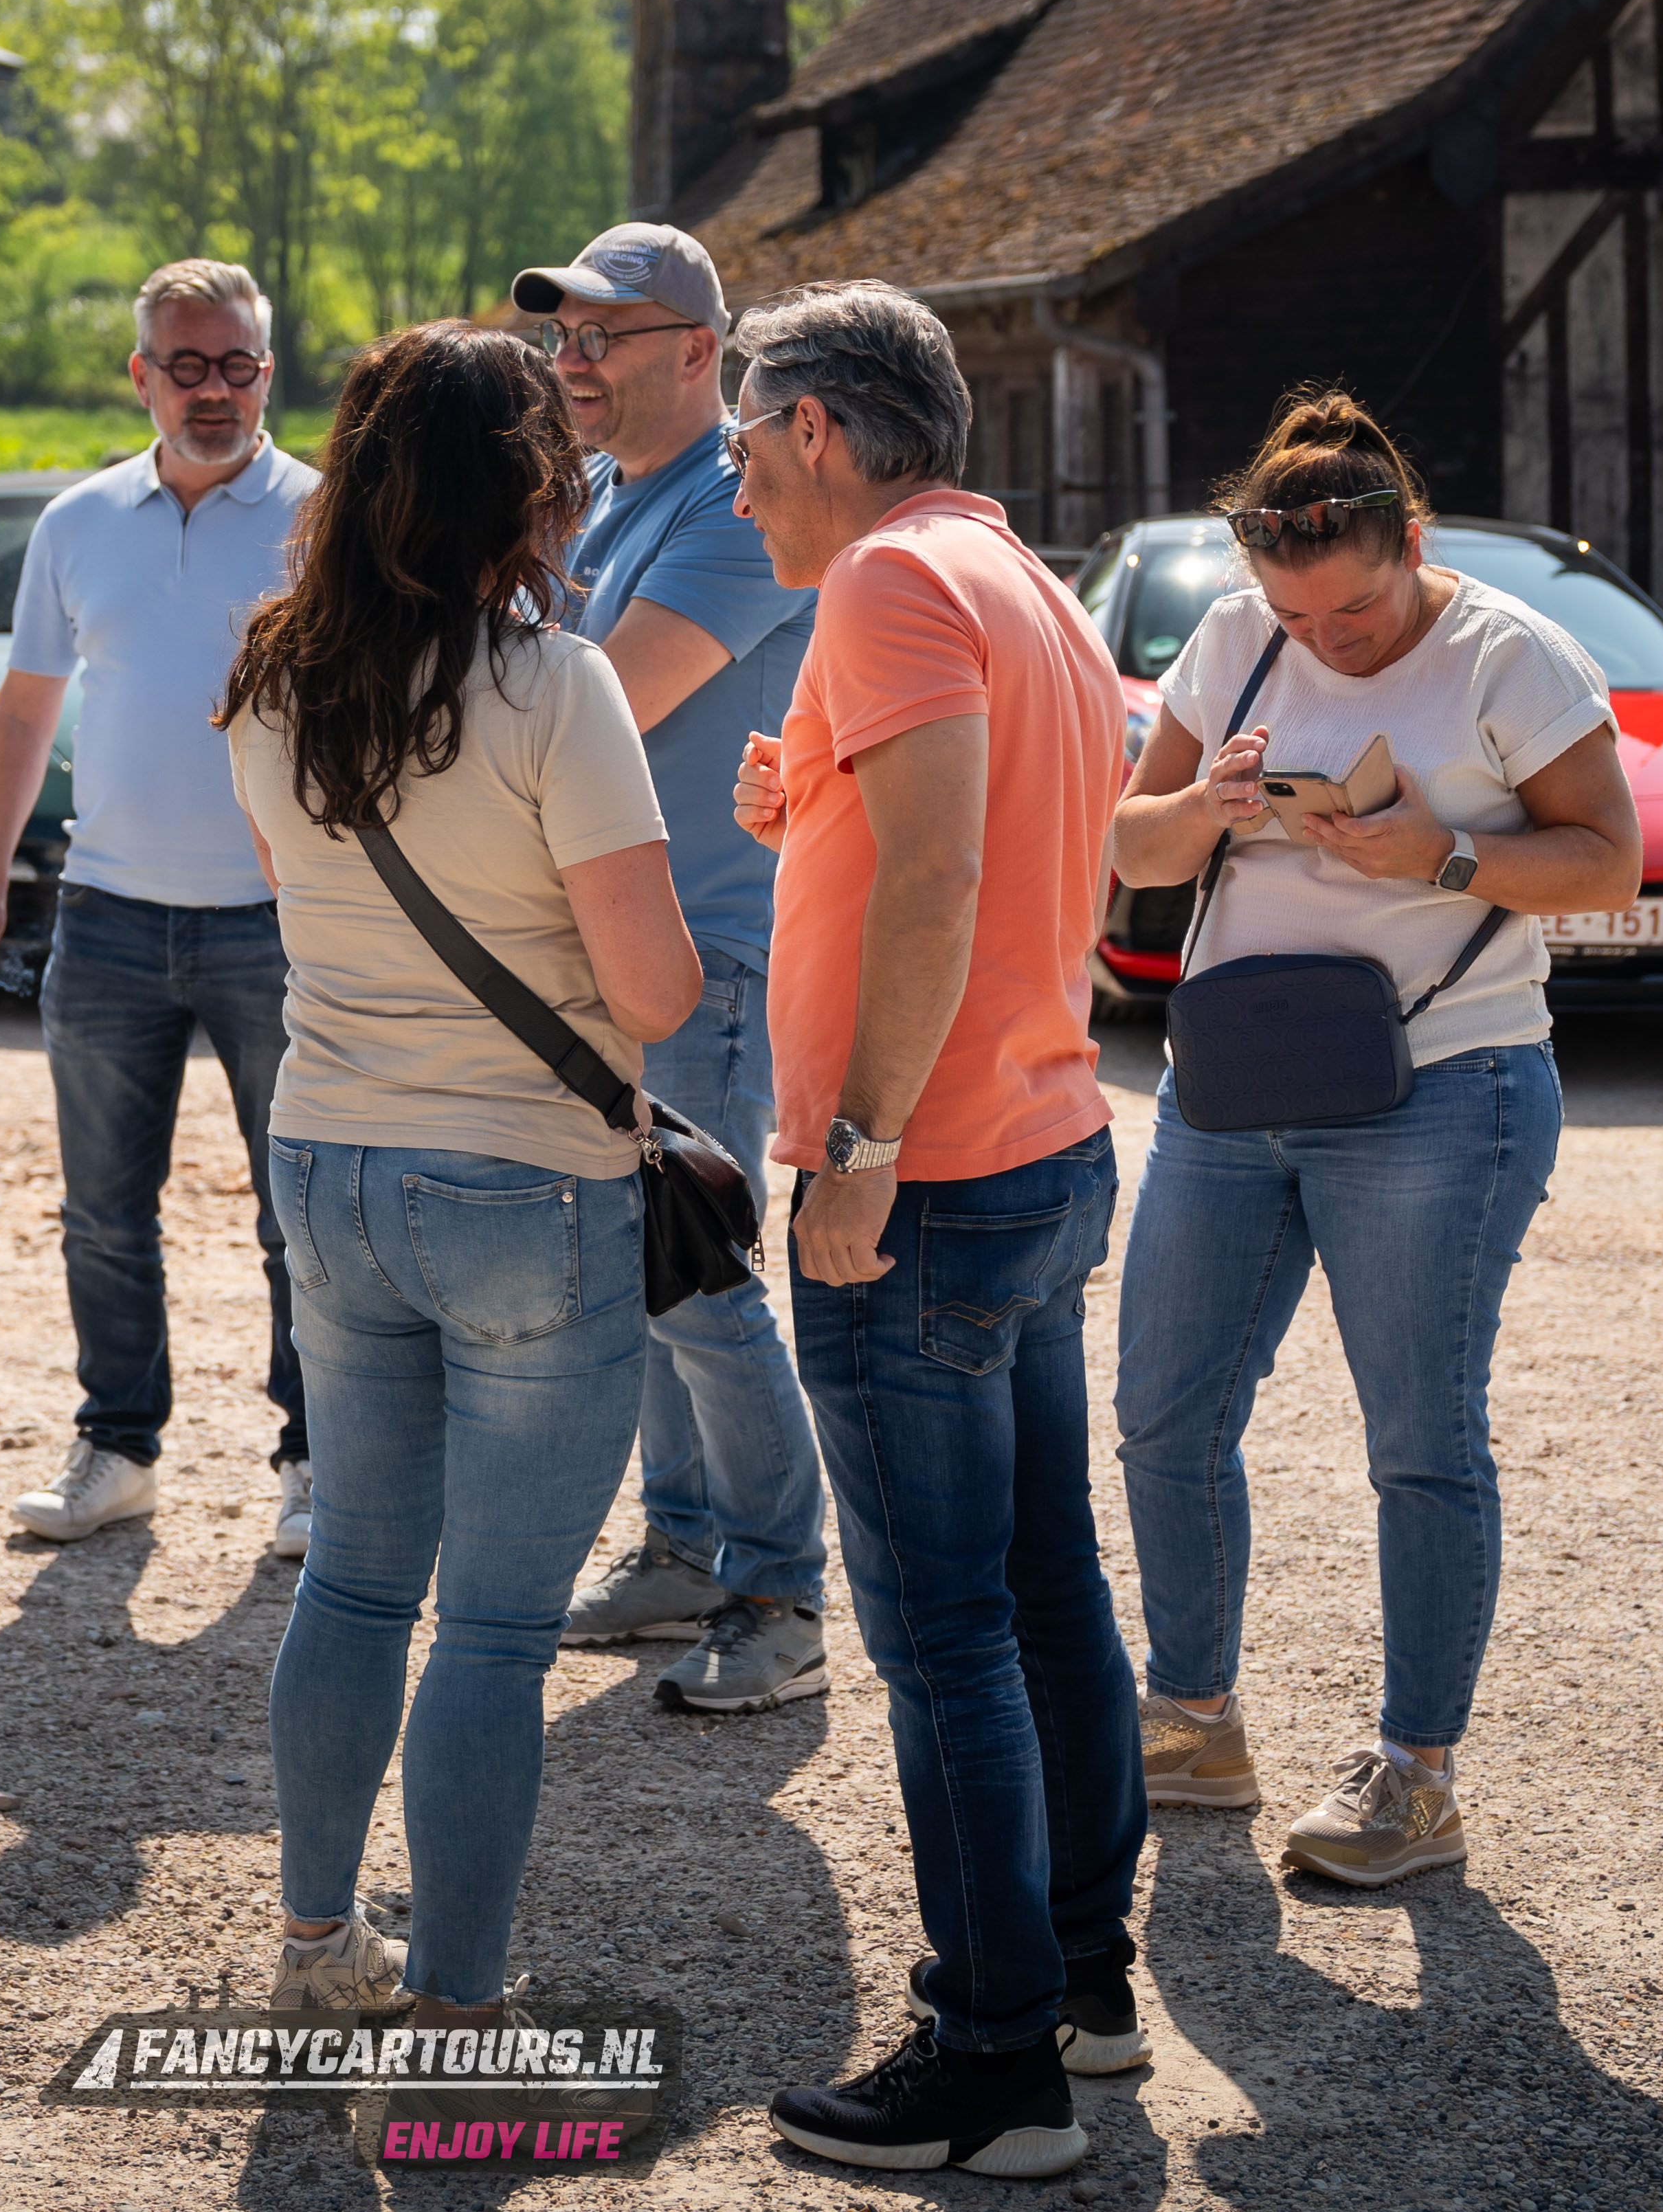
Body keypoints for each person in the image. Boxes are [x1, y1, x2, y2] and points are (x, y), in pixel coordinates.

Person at [214, 320, 701, 2022]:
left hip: (327, 1156)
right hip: (524, 1181)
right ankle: (456, 2014)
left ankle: (314, 1945)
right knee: (491, 1631)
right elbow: (654, 993)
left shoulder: (269, 673)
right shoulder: (555, 686)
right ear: (531, 493)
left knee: (355, 1577)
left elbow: (291, 882)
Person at [1104, 389, 1638, 1888]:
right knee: (1161, 1413)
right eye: (1297, 616)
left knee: (1417, 1441)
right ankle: (1192, 1720)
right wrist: (1204, 809)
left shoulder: (1511, 655)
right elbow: (1128, 845)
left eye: (1353, 610)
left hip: (1442, 1086)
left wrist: (1443, 854)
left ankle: (1417, 1776)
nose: (1326, 640)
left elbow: (1610, 861)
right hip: (1234, 1080)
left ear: (1412, 540)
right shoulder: (1231, 636)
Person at [726, 282, 1146, 2181]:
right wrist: (807, 800)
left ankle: (991, 2067)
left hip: (933, 1171)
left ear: (817, 427)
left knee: (948, 1634)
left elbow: (945, 870)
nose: (739, 481)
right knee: (1047, 1596)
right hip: (1038, 1139)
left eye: (748, 440)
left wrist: (861, 1144)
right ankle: (1078, 1984)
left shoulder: (887, 580)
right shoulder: (1020, 576)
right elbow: (1016, 831)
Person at [0, 260, 318, 1554]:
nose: (214, 391)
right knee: (104, 1213)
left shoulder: (324, 519)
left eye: (237, 366)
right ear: (139, 375)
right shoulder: (76, 522)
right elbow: (22, 714)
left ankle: (314, 1461)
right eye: (187, 366)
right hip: (104, 916)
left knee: (299, 1211)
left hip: (279, 926)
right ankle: (117, 1448)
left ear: (267, 373)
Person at [511, 223, 829, 1717]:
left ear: (699, 350)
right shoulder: (601, 493)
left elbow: (603, 705)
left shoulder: (732, 503)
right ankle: (686, 1545)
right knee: (643, 1265)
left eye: (605, 335)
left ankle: (780, 1592)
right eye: (562, 335)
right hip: (616, 937)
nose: (573, 360)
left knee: (697, 1273)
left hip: (702, 947)